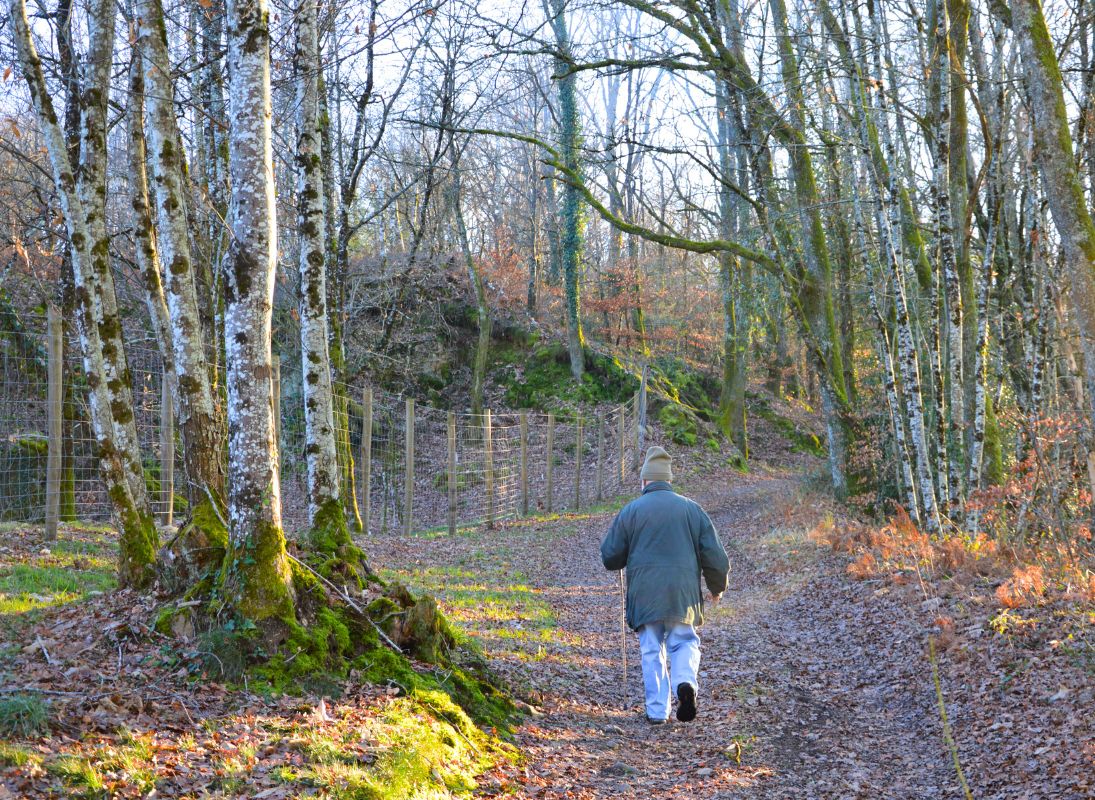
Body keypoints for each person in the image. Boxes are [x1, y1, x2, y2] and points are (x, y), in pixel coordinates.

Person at [600, 445, 729, 724]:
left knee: (651, 649)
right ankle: (685, 684)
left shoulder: (631, 511)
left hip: (645, 594)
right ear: (668, 480)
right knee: (684, 642)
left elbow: (610, 557)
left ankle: (657, 711)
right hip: (682, 595)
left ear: (645, 481)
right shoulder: (692, 510)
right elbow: (716, 557)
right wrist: (717, 586)